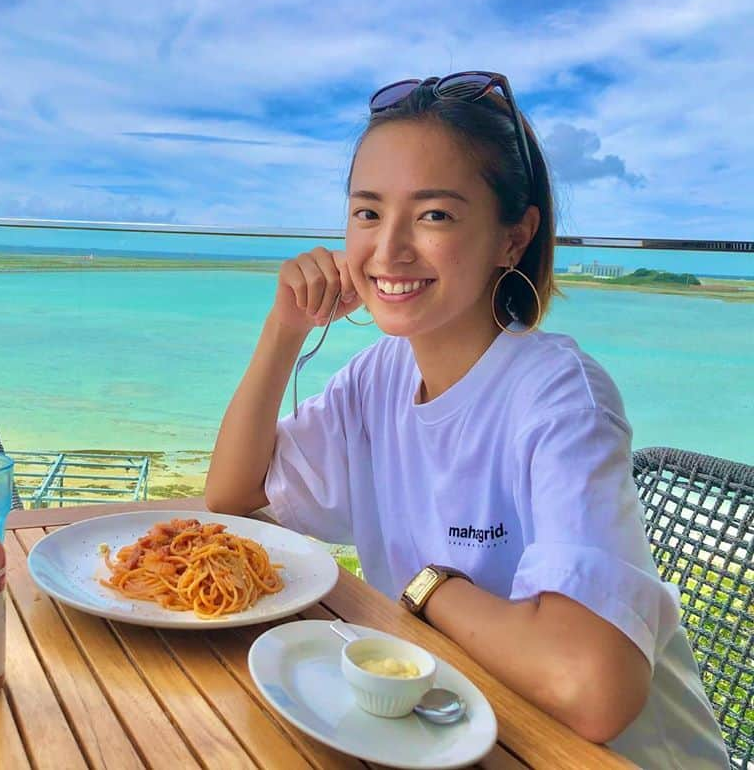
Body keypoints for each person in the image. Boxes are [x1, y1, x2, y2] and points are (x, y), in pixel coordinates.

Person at [204, 72, 729, 768]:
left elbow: (594, 689)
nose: (387, 250)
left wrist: (431, 588)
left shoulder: (558, 398)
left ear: (514, 238)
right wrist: (284, 330)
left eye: (434, 215)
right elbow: (234, 497)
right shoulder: (378, 376)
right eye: (367, 213)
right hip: (453, 730)